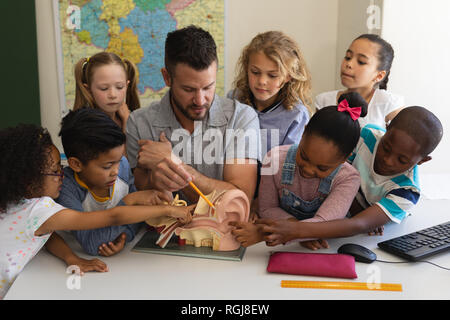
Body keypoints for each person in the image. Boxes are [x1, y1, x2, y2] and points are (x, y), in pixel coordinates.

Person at [0, 124, 192, 299]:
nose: (61, 177)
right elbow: (113, 216)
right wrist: (167, 209)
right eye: (55, 171)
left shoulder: (18, 203)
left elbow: (47, 235)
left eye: (61, 167)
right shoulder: (39, 210)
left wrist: (71, 258)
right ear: (28, 180)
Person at [258, 106, 443, 248]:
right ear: (386, 129)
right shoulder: (367, 135)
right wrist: (305, 230)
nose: (388, 160)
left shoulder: (408, 191)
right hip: (333, 207)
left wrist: (297, 231)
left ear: (422, 161)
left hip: (355, 228)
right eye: (386, 147)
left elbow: (359, 224)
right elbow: (338, 171)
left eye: (402, 160)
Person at [126, 25, 261, 205]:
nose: (200, 100)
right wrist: (152, 182)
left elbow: (239, 199)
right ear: (167, 77)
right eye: (188, 89)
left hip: (222, 230)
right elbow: (139, 194)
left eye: (208, 87)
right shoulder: (139, 123)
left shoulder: (241, 117)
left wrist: (174, 163)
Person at [230, 92, 366, 247]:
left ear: (345, 158)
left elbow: (325, 223)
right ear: (303, 133)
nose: (308, 170)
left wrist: (286, 233)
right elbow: (267, 208)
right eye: (304, 157)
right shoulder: (273, 160)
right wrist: (302, 234)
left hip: (326, 250)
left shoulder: (348, 178)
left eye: (322, 168)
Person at [56, 108, 173, 256]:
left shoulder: (122, 165)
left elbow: (138, 220)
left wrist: (125, 237)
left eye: (118, 161)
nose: (116, 171)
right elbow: (92, 245)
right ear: (76, 164)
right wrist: (130, 201)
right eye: (107, 166)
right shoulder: (66, 188)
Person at [228, 30, 312, 155]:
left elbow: (288, 163)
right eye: (255, 72)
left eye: (272, 75)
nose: (262, 81)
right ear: (246, 68)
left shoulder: (297, 115)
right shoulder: (234, 98)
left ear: (288, 76)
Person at [315, 34, 404, 129]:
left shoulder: (388, 103)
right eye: (348, 57)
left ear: (379, 75)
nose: (349, 64)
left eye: (361, 62)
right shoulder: (324, 101)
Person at [73, 51, 140, 132]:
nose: (112, 95)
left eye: (119, 87)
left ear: (127, 86)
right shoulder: (84, 127)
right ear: (88, 90)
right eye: (103, 88)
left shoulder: (134, 118)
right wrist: (126, 119)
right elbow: (125, 145)